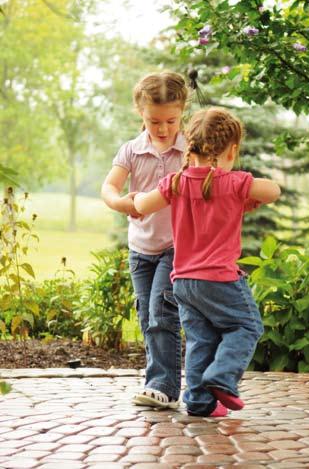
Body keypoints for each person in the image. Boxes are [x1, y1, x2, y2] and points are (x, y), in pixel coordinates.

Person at [134, 107, 281, 417]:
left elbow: (144, 204)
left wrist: (133, 199)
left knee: (202, 339)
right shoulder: (234, 182)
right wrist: (240, 186)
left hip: (183, 282)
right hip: (220, 279)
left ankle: (201, 403)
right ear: (232, 150)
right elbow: (273, 191)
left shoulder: (175, 182)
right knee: (247, 325)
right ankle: (223, 377)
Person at [101, 71, 189, 409]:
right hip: (140, 249)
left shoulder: (188, 151)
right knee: (145, 316)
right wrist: (121, 202)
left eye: (171, 120)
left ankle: (164, 386)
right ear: (141, 112)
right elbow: (109, 187)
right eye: (155, 121)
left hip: (175, 246)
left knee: (161, 313)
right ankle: (157, 380)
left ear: (182, 113)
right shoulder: (131, 150)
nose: (164, 128)